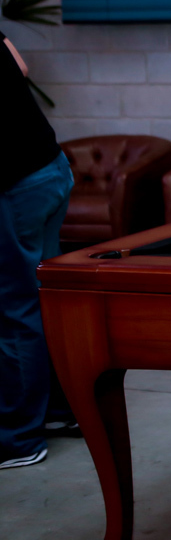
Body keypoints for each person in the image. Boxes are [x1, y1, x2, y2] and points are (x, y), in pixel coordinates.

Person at [0, 31, 75, 470]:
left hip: (15, 183)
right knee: (43, 299)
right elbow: (20, 66)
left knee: (15, 311)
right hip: (48, 168)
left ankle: (19, 438)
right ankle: (60, 410)